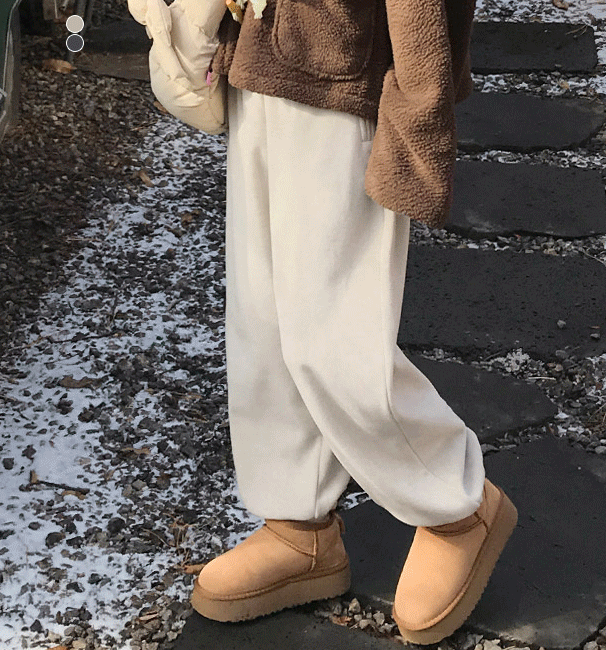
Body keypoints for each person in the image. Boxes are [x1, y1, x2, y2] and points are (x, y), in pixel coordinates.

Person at [186, 0, 519, 643]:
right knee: (262, 322)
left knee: (333, 335)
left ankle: (458, 507)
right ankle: (299, 526)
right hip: (264, 53)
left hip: (346, 71)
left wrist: (421, 101)